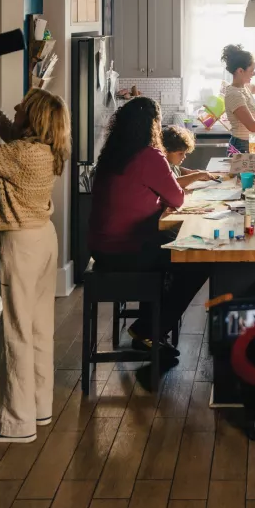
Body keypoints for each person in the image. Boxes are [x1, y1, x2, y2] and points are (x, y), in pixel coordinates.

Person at [0, 84, 70, 443]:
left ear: (33, 118)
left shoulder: (21, 154)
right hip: (42, 239)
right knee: (38, 331)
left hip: (19, 246)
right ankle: (39, 407)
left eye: (21, 107)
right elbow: (8, 128)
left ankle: (16, 424)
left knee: (13, 334)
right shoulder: (46, 149)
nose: (15, 108)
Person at [89, 98, 210, 357]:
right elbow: (176, 198)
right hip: (128, 247)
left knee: (169, 245)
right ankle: (151, 329)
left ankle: (150, 327)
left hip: (101, 247)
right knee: (198, 258)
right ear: (153, 125)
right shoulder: (149, 155)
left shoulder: (113, 154)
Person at [161, 125, 220, 189]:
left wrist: (190, 172)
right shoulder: (161, 167)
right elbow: (176, 183)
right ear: (166, 151)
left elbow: (177, 169)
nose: (184, 156)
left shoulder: (171, 164)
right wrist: (198, 175)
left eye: (185, 153)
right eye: (180, 153)